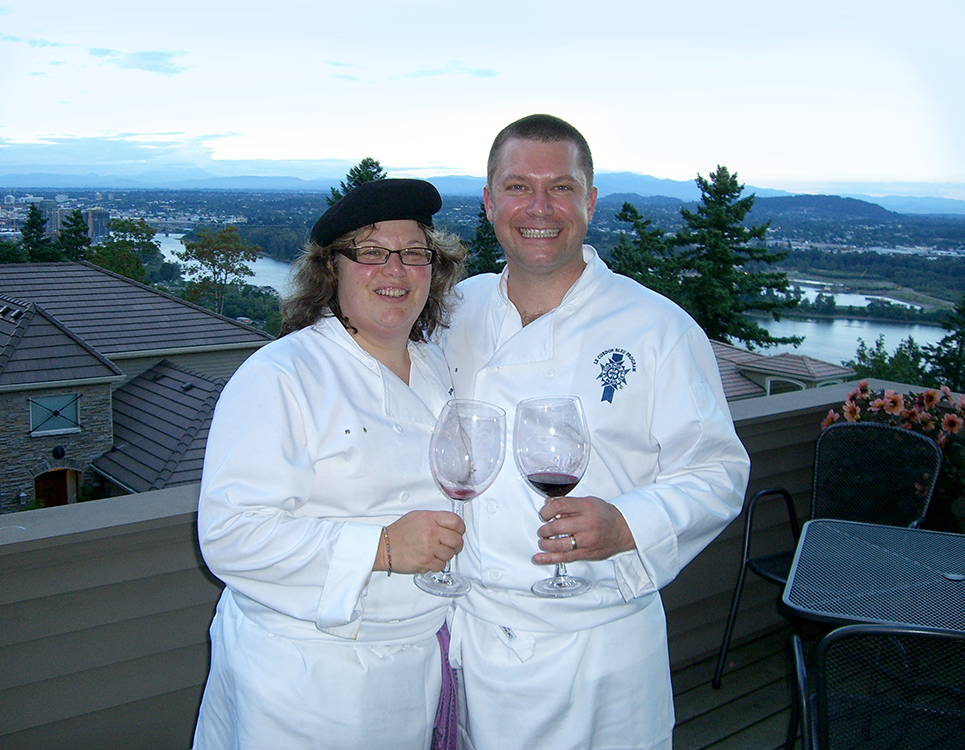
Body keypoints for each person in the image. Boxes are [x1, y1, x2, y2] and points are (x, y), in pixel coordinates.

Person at [442, 115, 751, 750]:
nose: (539, 207)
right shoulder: (455, 311)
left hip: (597, 647)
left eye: (561, 187)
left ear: (589, 200)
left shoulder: (656, 328)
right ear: (489, 200)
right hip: (477, 635)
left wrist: (629, 522)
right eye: (518, 186)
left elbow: (720, 472)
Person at [193, 179, 469, 750]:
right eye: (369, 252)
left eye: (414, 253)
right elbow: (230, 534)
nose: (395, 269)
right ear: (331, 270)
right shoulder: (281, 375)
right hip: (308, 682)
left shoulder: (437, 367)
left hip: (414, 663)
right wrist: (383, 548)